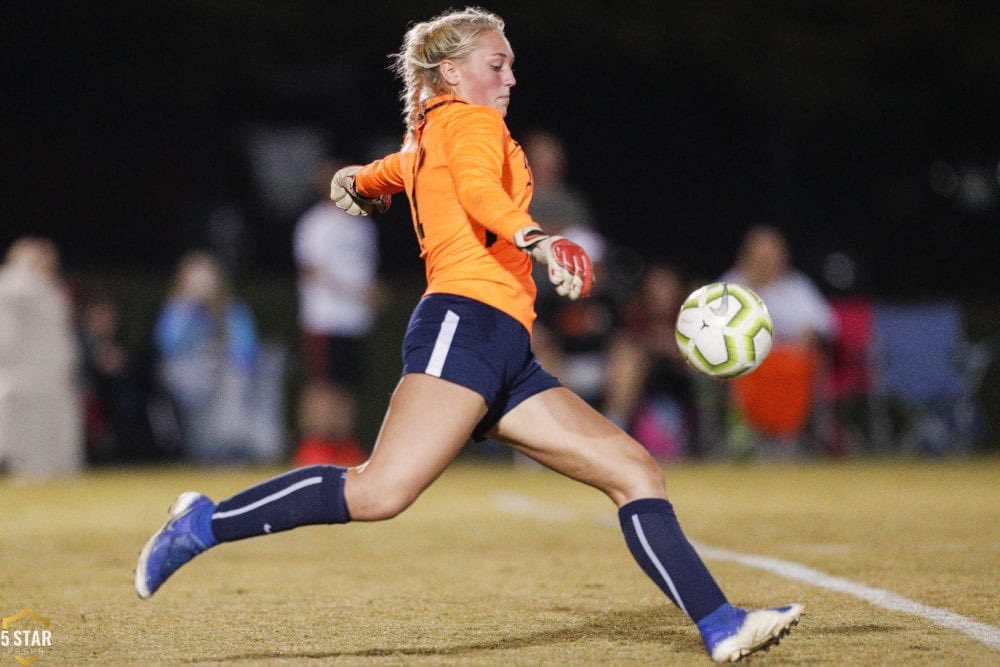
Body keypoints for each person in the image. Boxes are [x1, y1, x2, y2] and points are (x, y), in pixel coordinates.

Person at [134, 9, 802, 662]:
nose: (510, 77)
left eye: (511, 65)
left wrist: (357, 183)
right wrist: (538, 239)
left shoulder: (434, 130)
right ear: (452, 71)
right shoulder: (473, 123)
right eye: (497, 63)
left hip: (503, 344)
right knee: (379, 491)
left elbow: (389, 173)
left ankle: (720, 624)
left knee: (634, 471)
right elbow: (481, 191)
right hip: (465, 323)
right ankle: (202, 523)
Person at [154, 251, 282, 464]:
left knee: (234, 376)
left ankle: (231, 445)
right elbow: (168, 345)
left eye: (207, 277)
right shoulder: (177, 310)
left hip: (225, 379)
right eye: (196, 278)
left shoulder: (233, 311)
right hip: (189, 379)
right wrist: (191, 308)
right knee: (199, 374)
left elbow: (246, 350)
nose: (203, 284)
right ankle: (206, 447)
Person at [291, 160, 380, 466]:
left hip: (356, 321)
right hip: (325, 318)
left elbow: (366, 271)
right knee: (321, 385)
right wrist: (354, 291)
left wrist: (372, 292)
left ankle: (341, 443)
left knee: (347, 386)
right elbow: (311, 269)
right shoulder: (315, 223)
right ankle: (313, 444)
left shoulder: (363, 226)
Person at [720, 226, 837, 458]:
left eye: (772, 256)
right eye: (760, 256)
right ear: (747, 256)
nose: (766, 262)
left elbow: (824, 326)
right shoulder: (730, 284)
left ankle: (786, 437)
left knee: (799, 363)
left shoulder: (798, 287)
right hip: (744, 363)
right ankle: (745, 438)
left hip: (789, 364)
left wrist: (804, 338)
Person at [0, 237, 83, 477]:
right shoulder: (12, 285)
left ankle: (56, 468)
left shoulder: (52, 290)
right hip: (21, 373)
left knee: (55, 426)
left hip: (51, 374)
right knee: (24, 428)